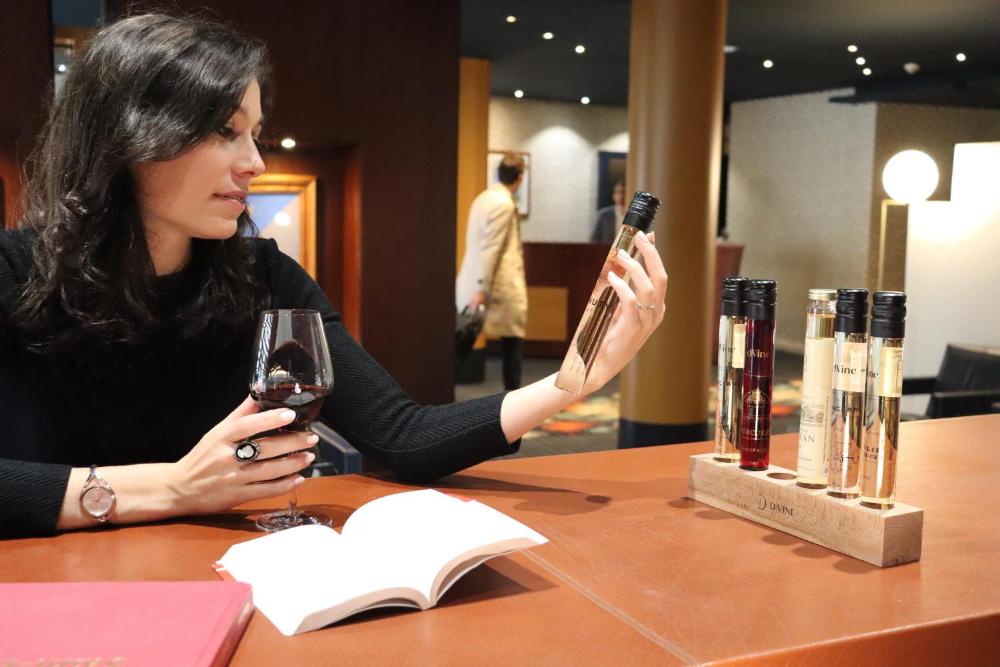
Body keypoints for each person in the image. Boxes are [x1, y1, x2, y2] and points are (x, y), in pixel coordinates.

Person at [0, 14, 667, 538]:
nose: (255, 162)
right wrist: (171, 488)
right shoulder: (12, 272)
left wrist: (573, 381)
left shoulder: (262, 276)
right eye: (226, 131)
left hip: (222, 586)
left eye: (255, 133)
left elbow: (402, 437)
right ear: (129, 137)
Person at [455, 154, 527, 390]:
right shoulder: (504, 204)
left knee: (464, 341)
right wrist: (482, 288)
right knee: (511, 341)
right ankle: (514, 398)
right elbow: (491, 248)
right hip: (497, 285)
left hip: (474, 280)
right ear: (519, 177)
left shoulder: (483, 198)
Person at [591, 179, 626, 243]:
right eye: (618, 192)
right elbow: (594, 239)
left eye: (623, 192)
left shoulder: (633, 215)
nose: (621, 195)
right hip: (606, 248)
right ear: (613, 195)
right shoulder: (604, 215)